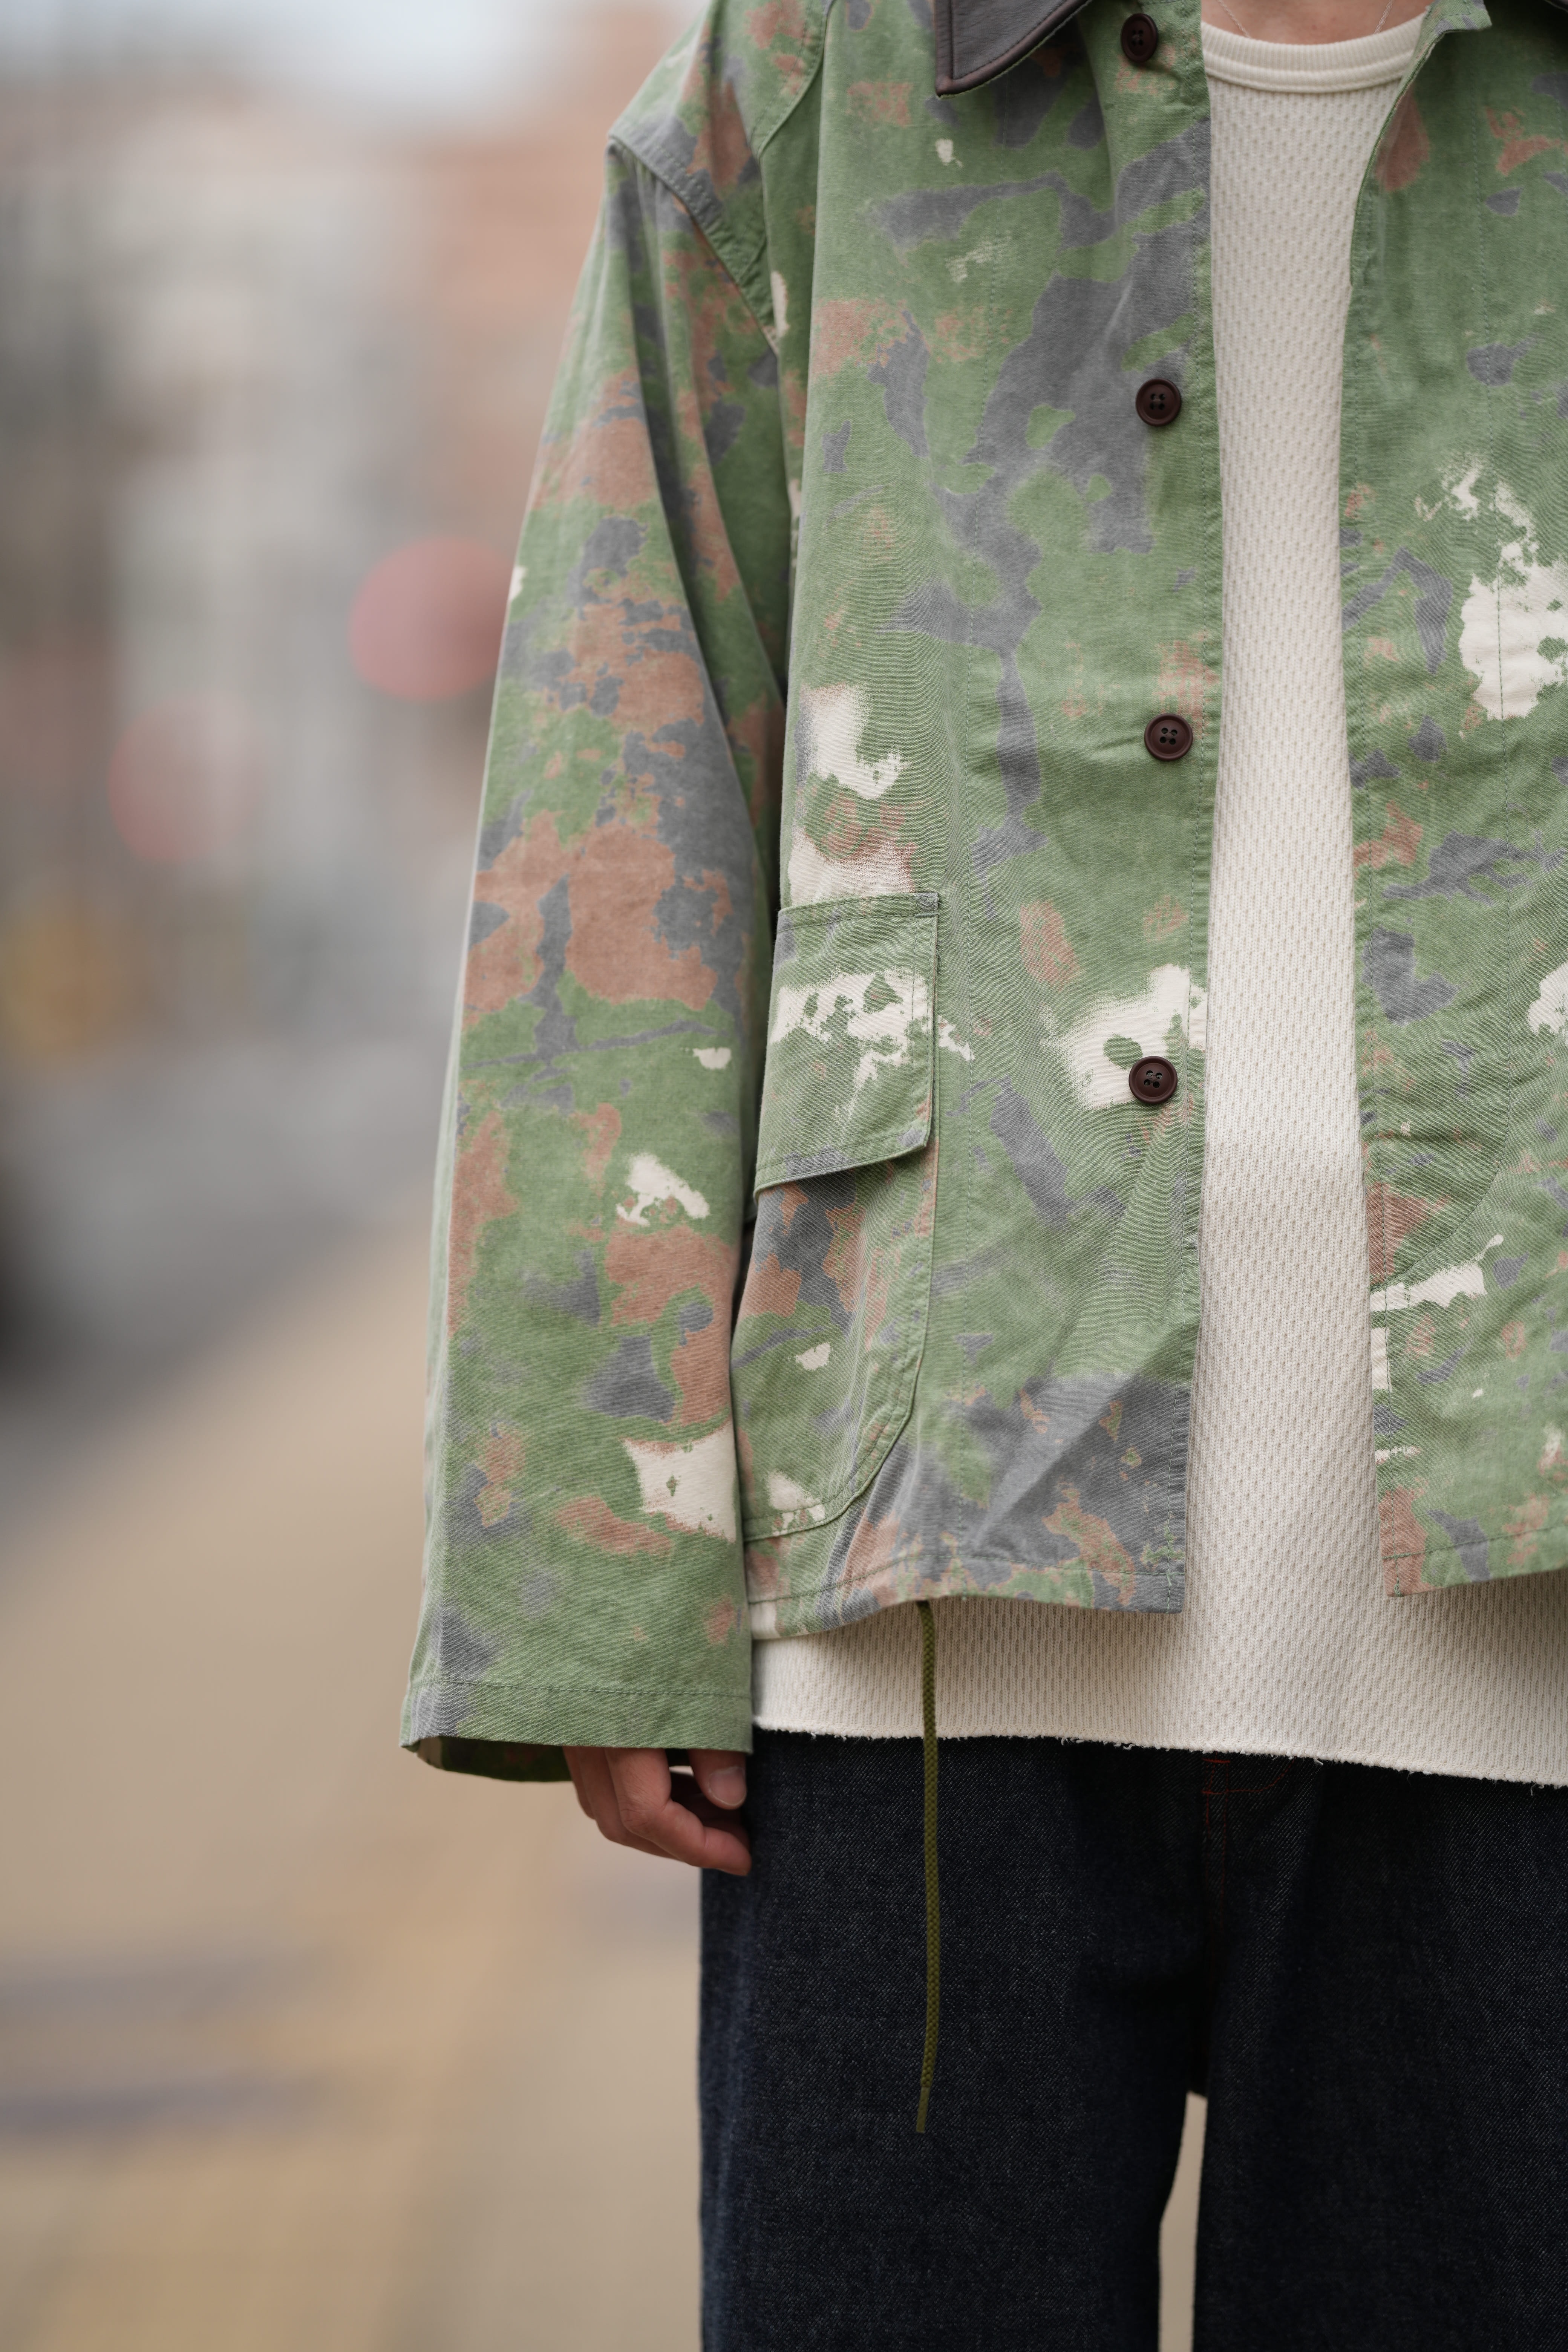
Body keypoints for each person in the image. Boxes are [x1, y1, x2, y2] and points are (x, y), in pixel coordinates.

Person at [402, 0, 1568, 2340]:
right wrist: (589, 1567)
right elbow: (625, 788)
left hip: (1525, 1595)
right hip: (917, 1591)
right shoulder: (812, 76)